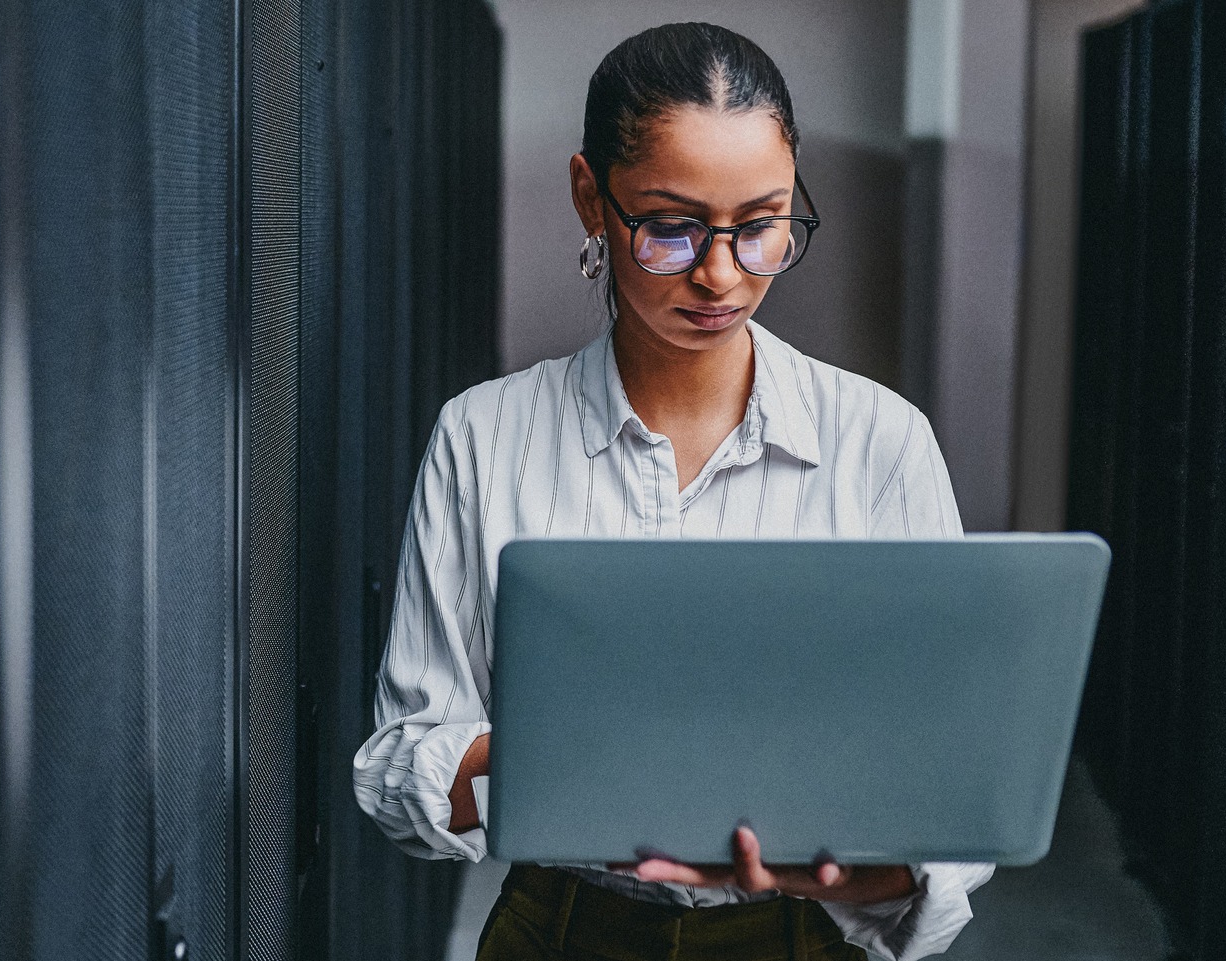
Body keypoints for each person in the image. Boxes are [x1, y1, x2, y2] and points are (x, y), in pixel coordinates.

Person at [350, 21, 997, 961]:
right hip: (562, 930)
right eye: (671, 228)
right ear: (590, 198)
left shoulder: (881, 444)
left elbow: (953, 782)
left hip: (799, 934)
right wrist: (565, 765)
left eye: (762, 224)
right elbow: (402, 760)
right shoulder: (485, 438)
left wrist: (860, 870)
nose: (721, 273)